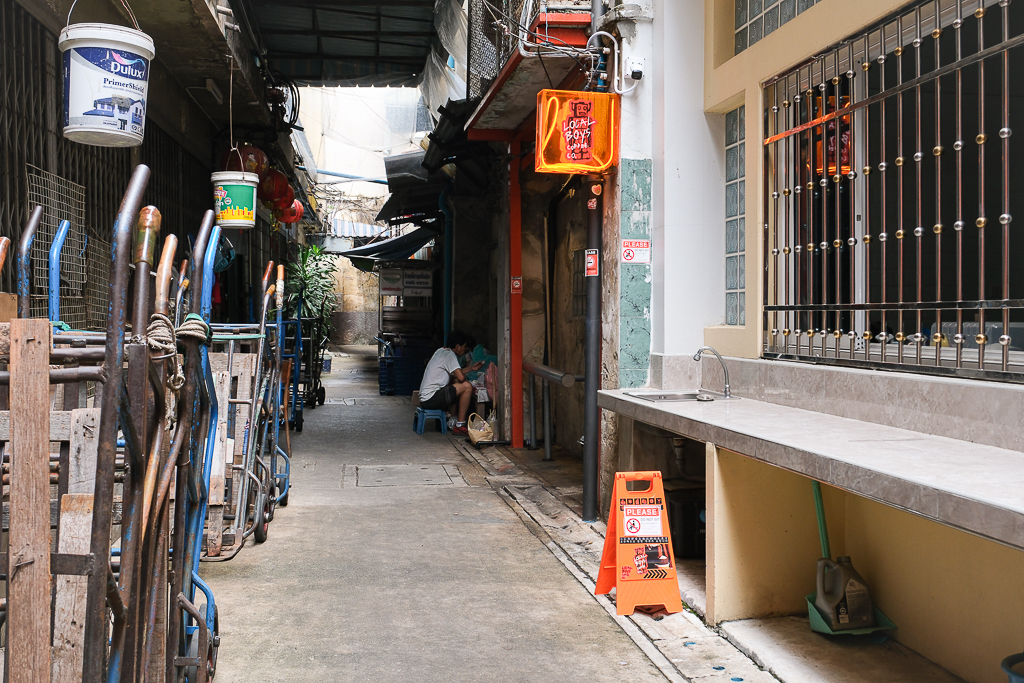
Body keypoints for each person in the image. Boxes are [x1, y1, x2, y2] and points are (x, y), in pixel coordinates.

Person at [418, 331, 483, 435]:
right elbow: (461, 378)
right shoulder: (450, 355)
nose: (465, 349)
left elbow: (456, 374)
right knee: (467, 387)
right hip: (431, 398)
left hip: (426, 398)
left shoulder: (441, 351)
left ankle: (453, 420)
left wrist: (471, 368)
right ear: (457, 346)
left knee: (454, 383)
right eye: (464, 346)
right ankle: (460, 425)